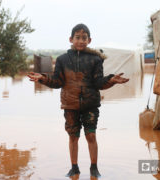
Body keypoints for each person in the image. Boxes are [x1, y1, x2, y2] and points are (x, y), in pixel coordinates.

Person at [27, 23, 129, 178]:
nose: (81, 41)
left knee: (91, 135)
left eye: (84, 38)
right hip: (70, 105)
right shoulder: (62, 60)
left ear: (89, 40)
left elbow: (98, 83)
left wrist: (111, 80)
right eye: (78, 37)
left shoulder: (95, 60)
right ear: (71, 39)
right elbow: (57, 82)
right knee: (73, 136)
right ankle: (74, 168)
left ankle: (94, 168)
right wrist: (43, 78)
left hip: (90, 104)